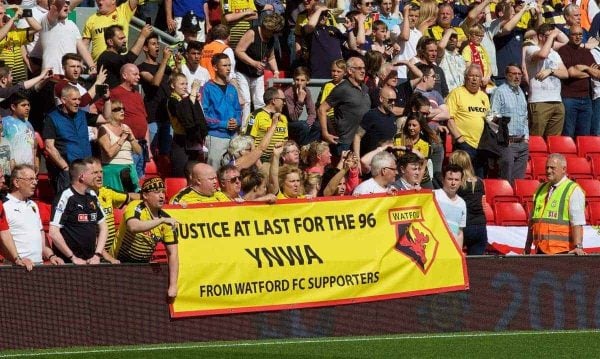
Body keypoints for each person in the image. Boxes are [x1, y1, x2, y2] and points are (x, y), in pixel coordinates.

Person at [115, 176, 179, 299]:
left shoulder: (165, 219)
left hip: (141, 269)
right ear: (145, 195)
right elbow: (133, 226)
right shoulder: (136, 206)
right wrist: (161, 221)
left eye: (163, 192)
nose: (162, 196)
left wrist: (173, 285)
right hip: (117, 265)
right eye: (156, 192)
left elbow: (173, 254)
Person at [44, 85, 109, 194]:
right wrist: (65, 167)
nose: (78, 102)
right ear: (63, 100)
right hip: (68, 171)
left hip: (86, 169)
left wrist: (107, 99)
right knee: (67, 204)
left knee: (88, 202)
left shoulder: (82, 115)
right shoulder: (52, 118)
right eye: (74, 99)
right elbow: (49, 146)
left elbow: (106, 118)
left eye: (79, 99)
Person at [0, 164, 64, 270]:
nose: (35, 182)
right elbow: (3, 239)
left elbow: (41, 233)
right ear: (16, 182)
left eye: (36, 179)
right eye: (30, 179)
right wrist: (17, 259)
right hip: (16, 267)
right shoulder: (4, 205)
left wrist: (51, 256)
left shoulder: (33, 205)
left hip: (38, 266)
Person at [49, 158, 108, 264]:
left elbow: (103, 227)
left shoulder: (92, 195)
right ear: (82, 176)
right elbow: (53, 232)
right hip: (69, 264)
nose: (97, 176)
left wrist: (97, 255)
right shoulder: (65, 196)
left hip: (91, 262)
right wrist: (72, 257)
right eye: (93, 173)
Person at [524, 153, 586, 256]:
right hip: (541, 250)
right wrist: (527, 246)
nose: (548, 171)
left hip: (563, 252)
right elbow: (532, 221)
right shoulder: (540, 189)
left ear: (563, 169)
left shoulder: (573, 189)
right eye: (547, 167)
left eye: (552, 168)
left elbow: (577, 222)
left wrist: (578, 247)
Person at [235, 13, 284, 125]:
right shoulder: (252, 33)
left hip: (257, 74)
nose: (272, 34)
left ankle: (260, 125)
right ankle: (244, 128)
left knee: (260, 101)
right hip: (243, 72)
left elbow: (271, 57)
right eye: (271, 31)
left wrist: (275, 71)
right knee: (246, 102)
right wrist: (254, 63)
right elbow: (238, 50)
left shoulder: (271, 39)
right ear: (266, 27)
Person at [318, 57, 371, 157]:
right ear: (350, 70)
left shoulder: (365, 88)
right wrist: (325, 133)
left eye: (364, 68)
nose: (363, 71)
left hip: (363, 140)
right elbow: (322, 109)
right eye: (359, 68)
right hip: (346, 142)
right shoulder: (342, 88)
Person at [525, 24, 568, 137]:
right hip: (539, 102)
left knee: (554, 141)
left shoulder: (555, 54)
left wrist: (551, 71)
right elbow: (543, 54)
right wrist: (552, 35)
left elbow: (565, 74)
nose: (552, 40)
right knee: (536, 139)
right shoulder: (531, 49)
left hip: (557, 101)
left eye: (554, 38)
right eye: (549, 37)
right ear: (540, 36)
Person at [446, 64, 490, 178]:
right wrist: (460, 139)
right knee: (462, 180)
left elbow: (488, 119)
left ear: (481, 79)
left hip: (481, 147)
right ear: (465, 78)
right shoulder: (456, 93)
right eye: (471, 76)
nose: (474, 79)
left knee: (479, 181)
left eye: (478, 76)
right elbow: (449, 119)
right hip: (464, 146)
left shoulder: (484, 97)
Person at [558, 24, 600, 137]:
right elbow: (571, 73)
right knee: (568, 134)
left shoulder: (586, 52)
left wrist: (585, 68)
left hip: (586, 99)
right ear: (569, 35)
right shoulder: (563, 51)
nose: (578, 37)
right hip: (569, 98)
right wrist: (590, 71)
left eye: (580, 34)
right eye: (574, 34)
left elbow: (598, 75)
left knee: (584, 136)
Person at [202, 53, 242, 169]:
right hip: (215, 137)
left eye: (229, 65)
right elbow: (203, 115)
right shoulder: (207, 88)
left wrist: (237, 122)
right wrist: (223, 124)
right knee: (213, 172)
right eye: (224, 65)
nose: (228, 68)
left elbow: (238, 110)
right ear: (215, 67)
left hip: (233, 137)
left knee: (233, 172)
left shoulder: (232, 89)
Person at [109, 63, 149, 180]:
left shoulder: (137, 95)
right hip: (126, 144)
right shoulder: (115, 93)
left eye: (138, 74)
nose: (138, 77)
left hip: (140, 145)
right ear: (125, 75)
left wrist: (148, 147)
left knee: (140, 179)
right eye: (135, 74)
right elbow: (95, 109)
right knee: (129, 180)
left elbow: (144, 120)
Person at [490, 64, 529, 184]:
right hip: (507, 144)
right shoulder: (499, 91)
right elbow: (492, 118)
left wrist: (526, 138)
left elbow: (525, 116)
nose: (517, 77)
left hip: (522, 144)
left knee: (518, 183)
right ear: (507, 75)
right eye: (513, 74)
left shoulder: (521, 92)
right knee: (505, 182)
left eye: (519, 74)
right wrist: (502, 139)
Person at [167, 73, 208, 177]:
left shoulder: (184, 99)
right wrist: (193, 94)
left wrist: (194, 100)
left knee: (194, 173)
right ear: (173, 85)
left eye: (186, 84)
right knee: (181, 173)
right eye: (181, 84)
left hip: (192, 141)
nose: (185, 87)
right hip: (180, 142)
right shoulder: (172, 100)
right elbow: (185, 116)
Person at [97, 99, 142, 192]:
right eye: (117, 109)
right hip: (113, 170)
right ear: (110, 113)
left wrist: (131, 139)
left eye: (123, 108)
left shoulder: (126, 127)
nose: (122, 111)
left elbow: (139, 151)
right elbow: (109, 153)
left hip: (129, 169)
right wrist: (122, 138)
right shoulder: (103, 129)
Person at [449, 150, 487, 255]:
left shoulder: (456, 184)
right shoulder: (479, 181)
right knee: (476, 265)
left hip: (463, 227)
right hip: (480, 226)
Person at [97, 24, 153, 88]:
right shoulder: (106, 56)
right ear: (110, 42)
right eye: (121, 38)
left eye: (124, 37)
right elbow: (127, 60)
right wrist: (143, 36)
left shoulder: (115, 56)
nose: (125, 40)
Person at [246, 86, 288, 162]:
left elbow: (285, 140)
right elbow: (248, 140)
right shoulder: (255, 115)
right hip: (260, 159)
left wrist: (282, 144)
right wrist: (257, 163)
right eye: (283, 100)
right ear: (274, 100)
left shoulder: (283, 118)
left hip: (278, 160)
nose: (284, 103)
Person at [353, 86, 397, 157]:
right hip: (371, 159)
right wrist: (357, 158)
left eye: (395, 100)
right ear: (381, 99)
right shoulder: (371, 115)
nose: (393, 103)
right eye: (390, 100)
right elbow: (357, 136)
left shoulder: (392, 116)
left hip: (386, 159)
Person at [284, 66, 320, 147]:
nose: (299, 83)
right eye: (297, 80)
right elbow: (293, 118)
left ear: (307, 81)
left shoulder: (307, 91)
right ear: (294, 79)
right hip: (287, 123)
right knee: (303, 126)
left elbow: (312, 113)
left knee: (318, 125)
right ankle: (303, 147)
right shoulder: (288, 93)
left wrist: (309, 124)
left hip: (298, 123)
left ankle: (309, 147)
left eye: (302, 80)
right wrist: (300, 101)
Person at [434, 164, 466, 249]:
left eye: (456, 180)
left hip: (452, 250)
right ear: (443, 180)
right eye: (450, 179)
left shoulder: (462, 203)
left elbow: (459, 232)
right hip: (435, 248)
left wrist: (459, 252)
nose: (453, 183)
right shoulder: (434, 196)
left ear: (461, 182)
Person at [2, 94, 36, 171]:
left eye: (28, 105)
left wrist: (34, 164)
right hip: (9, 169)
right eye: (23, 105)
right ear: (13, 107)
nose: (27, 108)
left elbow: (33, 146)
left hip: (27, 169)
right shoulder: (4, 122)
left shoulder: (29, 125)